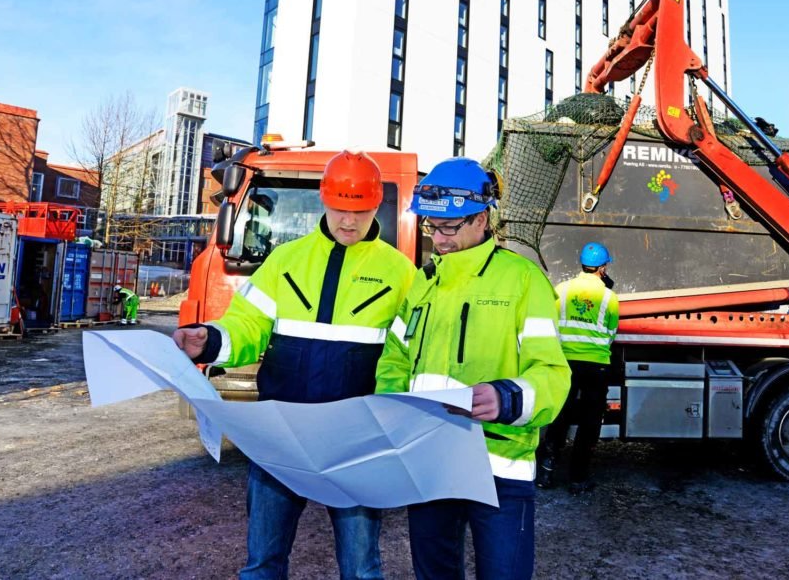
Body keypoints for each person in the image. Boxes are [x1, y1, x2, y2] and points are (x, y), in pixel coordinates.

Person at [171, 150, 415, 580]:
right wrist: (210, 340)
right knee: (262, 564)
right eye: (339, 208)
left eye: (360, 211)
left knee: (361, 569)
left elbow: (405, 354)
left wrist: (391, 419)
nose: (348, 221)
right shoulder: (284, 260)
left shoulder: (401, 274)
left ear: (377, 205)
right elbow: (248, 325)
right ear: (324, 199)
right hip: (281, 434)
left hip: (355, 440)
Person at [375, 157, 570, 580]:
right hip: (431, 461)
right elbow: (395, 356)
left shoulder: (523, 280)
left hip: (499, 465)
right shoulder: (424, 281)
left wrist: (506, 398)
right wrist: (391, 408)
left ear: (482, 219)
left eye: (449, 227)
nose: (439, 239)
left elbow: (553, 375)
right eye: (432, 226)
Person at [535, 242, 619, 494]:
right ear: (602, 268)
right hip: (597, 365)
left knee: (560, 414)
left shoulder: (562, 289)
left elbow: (551, 321)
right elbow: (611, 332)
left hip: (565, 362)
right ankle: (578, 479)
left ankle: (546, 473)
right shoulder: (609, 297)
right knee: (590, 421)